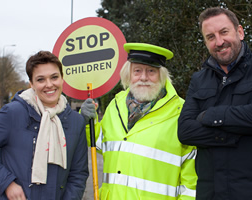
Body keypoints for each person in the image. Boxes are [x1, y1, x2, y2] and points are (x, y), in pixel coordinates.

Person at [178, 7, 252, 200]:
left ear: (240, 32)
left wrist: (209, 116)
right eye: (210, 37)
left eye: (224, 32)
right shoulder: (199, 79)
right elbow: (185, 131)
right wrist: (236, 135)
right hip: (211, 193)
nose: (219, 42)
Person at [81, 43, 197, 200]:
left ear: (162, 75)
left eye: (151, 71)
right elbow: (102, 144)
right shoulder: (115, 105)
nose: (143, 77)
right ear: (128, 74)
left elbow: (191, 184)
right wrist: (88, 122)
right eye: (137, 71)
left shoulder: (181, 112)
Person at [0, 51, 89, 199]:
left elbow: (78, 174)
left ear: (62, 79)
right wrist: (7, 184)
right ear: (31, 84)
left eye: (54, 77)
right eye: (41, 79)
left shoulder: (76, 121)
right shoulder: (13, 113)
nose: (49, 85)